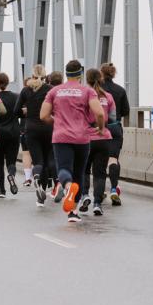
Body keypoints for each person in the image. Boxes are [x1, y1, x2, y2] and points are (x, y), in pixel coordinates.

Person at [40, 60, 105, 222]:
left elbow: (43, 115)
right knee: (79, 173)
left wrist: (57, 122)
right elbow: (100, 114)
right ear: (80, 74)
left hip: (61, 137)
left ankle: (67, 187)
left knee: (63, 169)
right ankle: (73, 212)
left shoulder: (55, 91)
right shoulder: (87, 91)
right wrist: (101, 128)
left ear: (66, 74)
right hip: (82, 138)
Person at [78, 69, 118, 216]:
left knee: (84, 170)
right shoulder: (108, 97)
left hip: (86, 138)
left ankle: (85, 196)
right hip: (104, 138)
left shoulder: (83, 95)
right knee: (100, 174)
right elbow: (113, 118)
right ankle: (97, 204)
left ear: (86, 80)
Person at [22, 71, 56, 204]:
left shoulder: (26, 90)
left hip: (31, 129)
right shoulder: (50, 89)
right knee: (47, 161)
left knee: (38, 162)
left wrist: (26, 112)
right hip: (48, 128)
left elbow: (15, 111)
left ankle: (35, 176)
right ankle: (42, 195)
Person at [100, 63, 129, 206]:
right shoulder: (120, 90)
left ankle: (99, 191)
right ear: (113, 73)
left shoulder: (95, 91)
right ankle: (113, 188)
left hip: (99, 129)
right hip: (115, 127)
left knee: (98, 160)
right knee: (113, 159)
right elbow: (126, 111)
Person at [0, 72, 23, 195]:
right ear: (8, 83)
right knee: (11, 161)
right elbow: (20, 113)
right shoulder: (16, 97)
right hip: (13, 132)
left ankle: (2, 190)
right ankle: (11, 175)